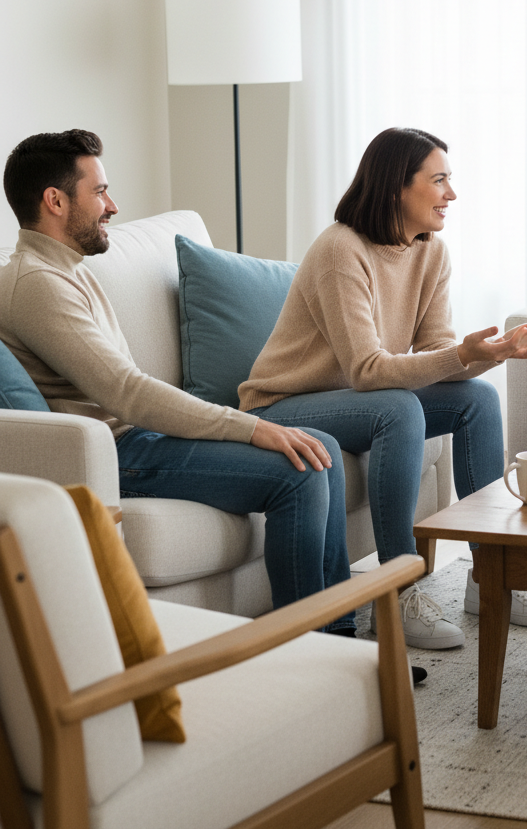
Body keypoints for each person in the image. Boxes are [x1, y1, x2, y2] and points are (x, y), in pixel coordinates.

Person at [0, 130, 355, 632]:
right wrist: (250, 427)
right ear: (54, 201)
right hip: (118, 455)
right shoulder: (36, 284)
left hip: (138, 438)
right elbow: (126, 392)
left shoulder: (69, 269)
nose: (113, 205)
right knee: (300, 469)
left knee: (321, 447)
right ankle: (315, 644)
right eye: (99, 191)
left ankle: (341, 633)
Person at [239, 127, 527, 650]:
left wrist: (492, 354)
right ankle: (400, 589)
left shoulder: (431, 253)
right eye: (439, 181)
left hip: (357, 404)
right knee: (398, 409)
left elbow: (436, 356)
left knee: (478, 400)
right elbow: (367, 369)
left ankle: (490, 577)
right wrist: (462, 353)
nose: (451, 195)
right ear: (396, 187)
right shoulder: (339, 250)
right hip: (285, 406)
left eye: (449, 181)